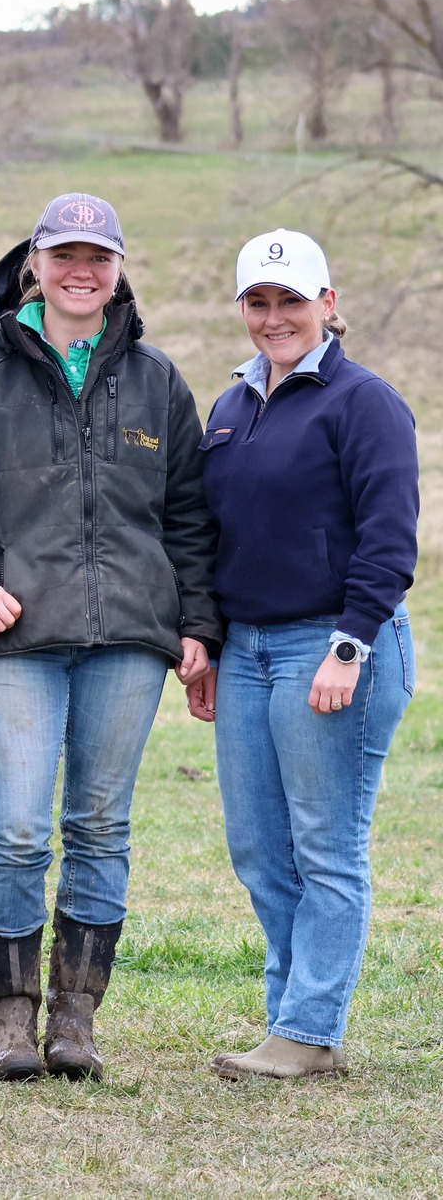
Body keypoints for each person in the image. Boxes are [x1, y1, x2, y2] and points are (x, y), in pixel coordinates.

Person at [0, 193, 221, 1082]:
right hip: (20, 640)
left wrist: (196, 623)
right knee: (14, 828)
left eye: (100, 256)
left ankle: (75, 1022)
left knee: (99, 823)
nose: (82, 272)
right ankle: (10, 1023)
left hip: (131, 639)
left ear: (119, 268)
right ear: (33, 264)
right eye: (64, 255)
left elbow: (190, 517)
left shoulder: (158, 380)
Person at [193, 230, 417, 1081]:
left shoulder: (365, 402)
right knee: (258, 846)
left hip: (334, 646)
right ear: (243, 308)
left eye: (293, 300)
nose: (275, 317)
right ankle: (291, 1016)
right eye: (260, 301)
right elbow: (216, 536)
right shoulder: (230, 408)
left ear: (329, 303)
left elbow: (391, 539)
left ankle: (310, 1028)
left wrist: (350, 645)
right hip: (246, 651)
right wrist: (210, 643)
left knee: (326, 844)